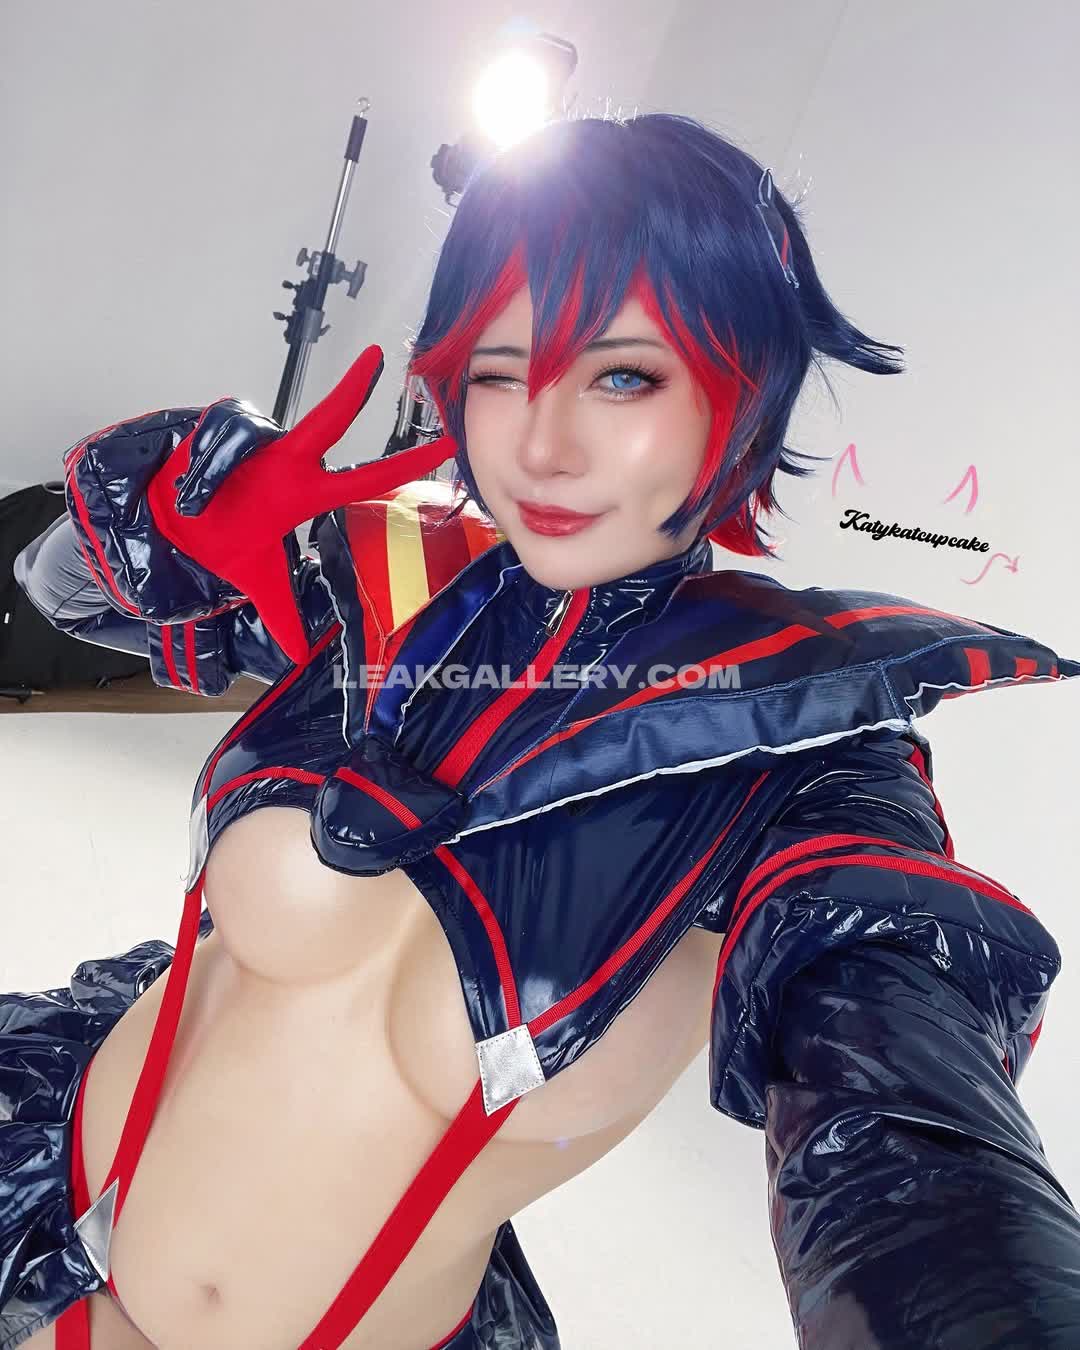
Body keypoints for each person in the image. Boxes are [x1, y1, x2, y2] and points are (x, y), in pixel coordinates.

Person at [3, 111, 1079, 1350]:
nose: (542, 446)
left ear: (744, 392)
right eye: (500, 370)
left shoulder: (798, 750)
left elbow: (907, 1137)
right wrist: (166, 525)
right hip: (43, 1186)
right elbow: (56, 594)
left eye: (623, 376)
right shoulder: (387, 582)